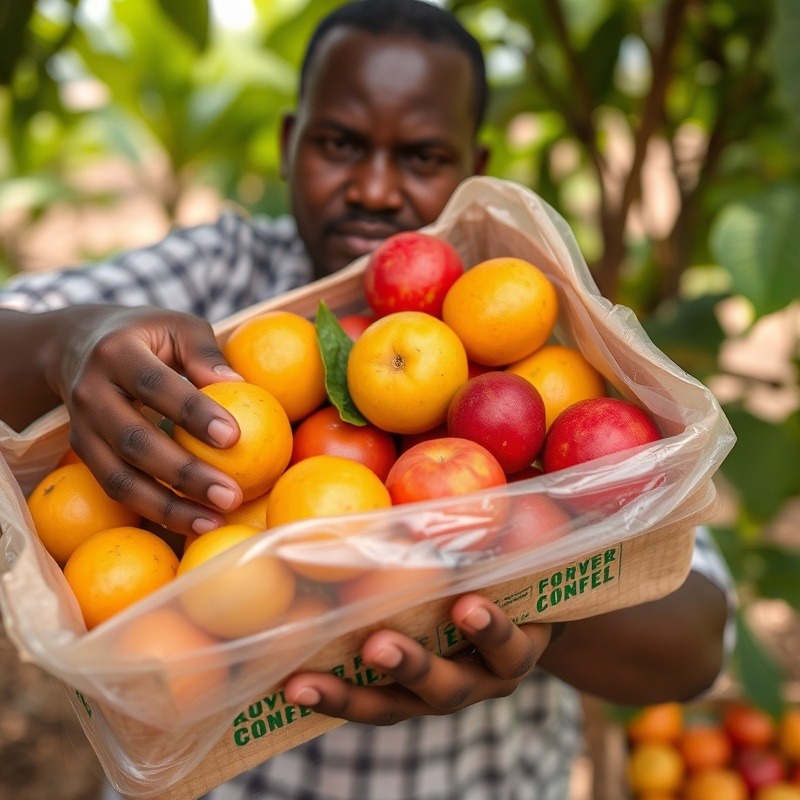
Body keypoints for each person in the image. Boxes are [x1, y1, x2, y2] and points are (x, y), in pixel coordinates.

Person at [0, 2, 736, 799]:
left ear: (472, 165)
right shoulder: (223, 274)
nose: (377, 189)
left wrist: (519, 595)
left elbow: (696, 642)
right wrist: (60, 344)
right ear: (289, 144)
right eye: (340, 144)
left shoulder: (536, 344)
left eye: (422, 156)